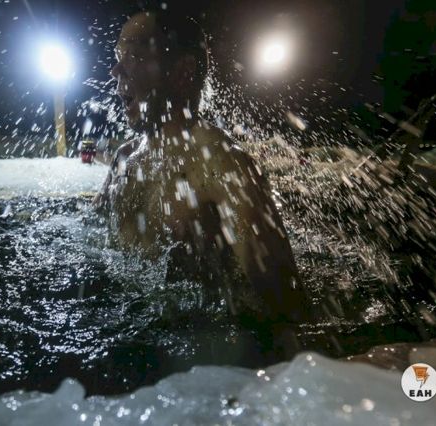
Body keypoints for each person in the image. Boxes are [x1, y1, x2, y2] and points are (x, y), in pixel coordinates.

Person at [93, 11, 309, 330]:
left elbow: (287, 307)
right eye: (118, 56)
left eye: (134, 56)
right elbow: (89, 242)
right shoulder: (124, 158)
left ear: (183, 71)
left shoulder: (223, 167)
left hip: (198, 344)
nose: (116, 70)